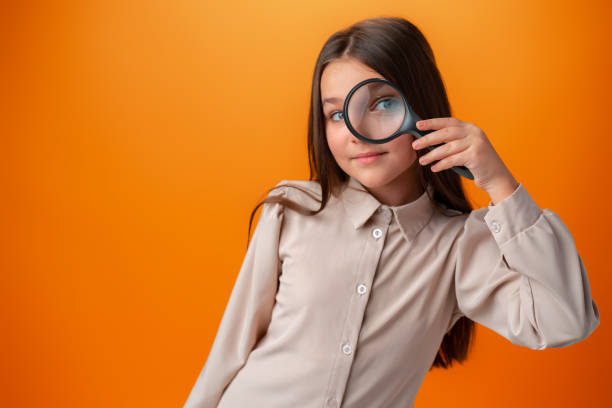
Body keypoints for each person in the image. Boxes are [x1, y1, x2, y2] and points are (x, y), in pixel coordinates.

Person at [183, 16, 600, 408]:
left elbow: (567, 320)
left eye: (381, 103)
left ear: (420, 106)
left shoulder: (459, 246)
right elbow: (230, 350)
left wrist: (500, 185)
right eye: (335, 114)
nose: (354, 131)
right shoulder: (293, 209)